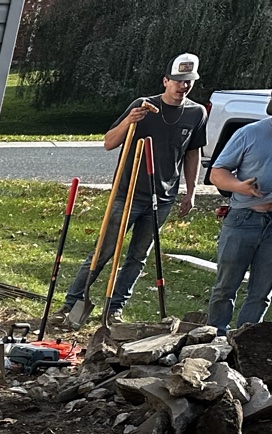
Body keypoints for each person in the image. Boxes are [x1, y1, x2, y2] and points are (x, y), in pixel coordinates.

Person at [60, 54, 207, 329]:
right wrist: (129, 120)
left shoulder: (196, 113)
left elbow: (192, 153)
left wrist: (191, 191)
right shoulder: (143, 105)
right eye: (177, 81)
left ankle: (115, 308)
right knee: (103, 251)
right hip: (127, 193)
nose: (183, 86)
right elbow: (109, 142)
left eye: (188, 81)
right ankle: (71, 303)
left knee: (138, 256)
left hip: (162, 198)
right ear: (166, 81)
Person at [206, 111, 272, 332]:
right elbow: (217, 173)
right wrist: (240, 186)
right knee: (225, 287)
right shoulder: (249, 133)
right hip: (244, 218)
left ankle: (246, 340)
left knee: (262, 293)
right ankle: (214, 337)